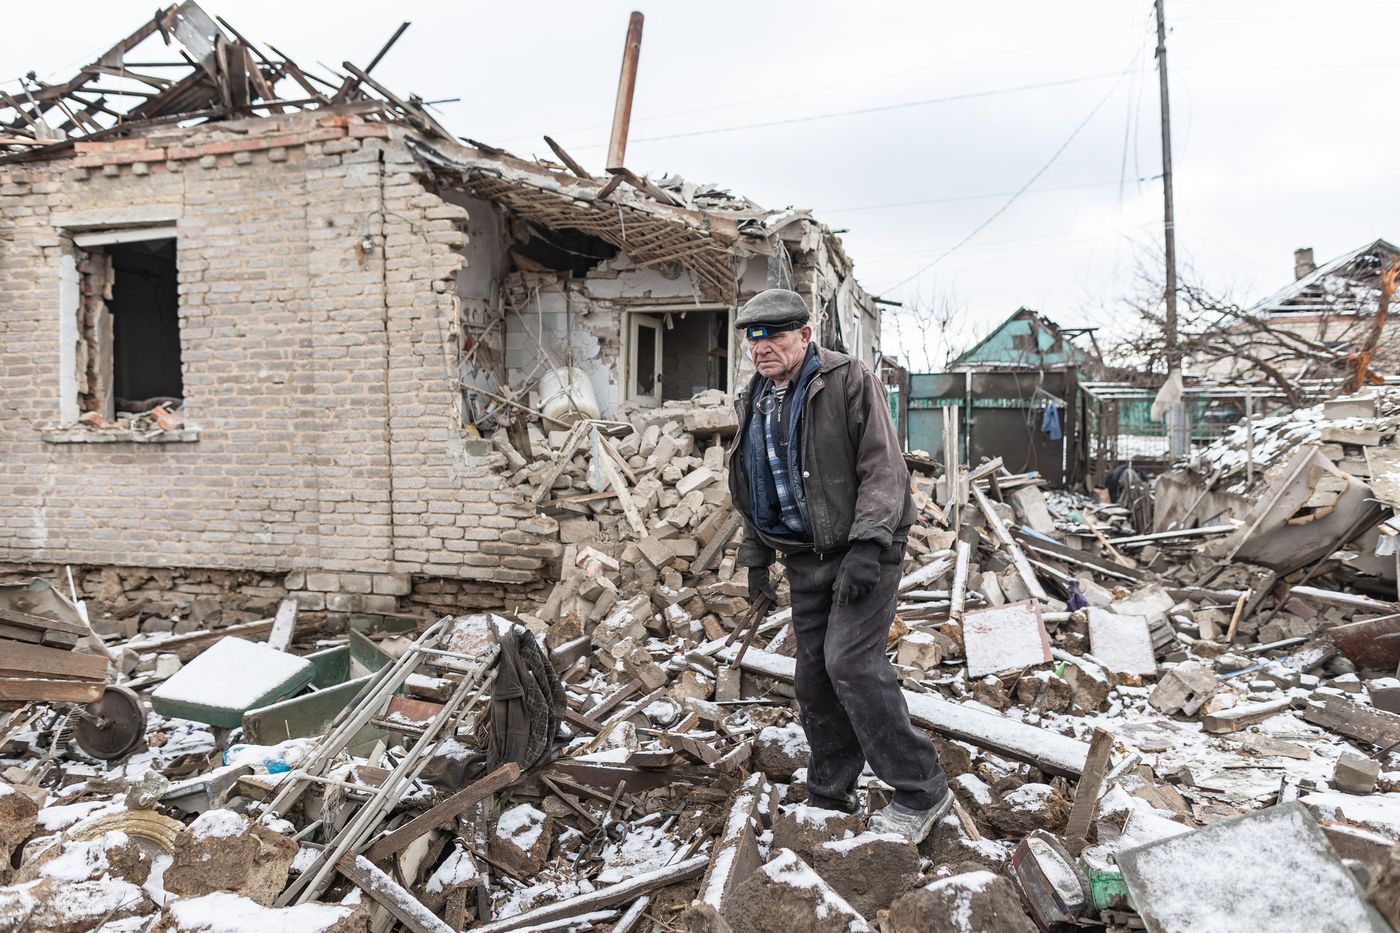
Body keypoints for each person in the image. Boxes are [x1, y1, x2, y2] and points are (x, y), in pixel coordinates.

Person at [725, 287, 951, 843]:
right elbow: (756, 484)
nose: (762, 349)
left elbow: (883, 467)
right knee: (813, 677)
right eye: (753, 339)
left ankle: (922, 787)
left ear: (805, 335)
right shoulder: (756, 398)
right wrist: (756, 558)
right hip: (804, 560)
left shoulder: (848, 381)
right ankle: (831, 790)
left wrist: (869, 546)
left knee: (851, 663)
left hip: (859, 555)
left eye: (774, 336)